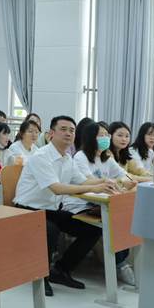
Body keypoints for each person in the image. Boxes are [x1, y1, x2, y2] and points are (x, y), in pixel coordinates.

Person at [13, 116, 118, 296]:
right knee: (51, 231)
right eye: (63, 129)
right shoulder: (41, 156)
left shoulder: (67, 158)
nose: (68, 133)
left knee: (92, 229)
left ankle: (61, 269)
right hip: (26, 209)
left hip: (51, 210)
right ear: (51, 134)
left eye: (72, 130)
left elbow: (83, 180)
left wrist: (106, 181)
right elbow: (57, 188)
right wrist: (94, 187)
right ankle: (40, 277)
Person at [69, 121, 137, 286]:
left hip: (102, 203)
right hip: (80, 203)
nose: (105, 138)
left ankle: (122, 261)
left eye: (107, 135)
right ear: (90, 137)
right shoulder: (80, 157)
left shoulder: (106, 157)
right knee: (116, 219)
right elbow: (87, 181)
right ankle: (119, 264)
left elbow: (123, 175)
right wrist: (112, 182)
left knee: (126, 216)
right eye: (101, 135)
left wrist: (127, 181)